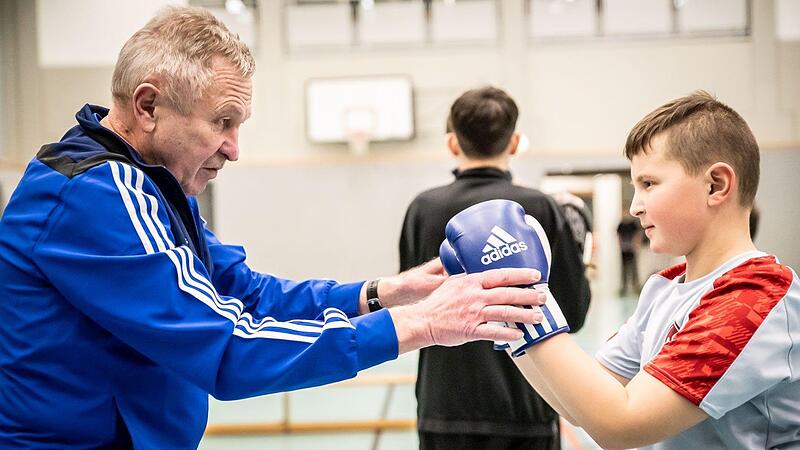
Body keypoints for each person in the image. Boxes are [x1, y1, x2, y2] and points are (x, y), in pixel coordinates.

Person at [0, 8, 546, 449]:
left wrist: (383, 294)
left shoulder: (149, 187)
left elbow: (247, 293)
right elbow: (228, 348)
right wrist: (418, 325)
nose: (234, 149)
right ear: (148, 106)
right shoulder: (93, 196)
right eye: (223, 123)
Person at [497, 91, 800, 449]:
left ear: (716, 185)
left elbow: (621, 425)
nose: (636, 206)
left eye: (649, 184)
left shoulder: (756, 295)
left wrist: (533, 305)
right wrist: (509, 309)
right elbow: (584, 405)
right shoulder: (666, 288)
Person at [399, 86, 591, 450]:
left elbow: (412, 300)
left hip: (444, 404)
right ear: (515, 142)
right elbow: (574, 313)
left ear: (453, 143)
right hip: (528, 403)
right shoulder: (542, 207)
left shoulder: (422, 208)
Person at [617, 212, 642, 295]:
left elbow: (637, 235)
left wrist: (636, 244)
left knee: (634, 269)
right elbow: (619, 236)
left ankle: (636, 287)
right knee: (624, 270)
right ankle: (624, 288)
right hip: (624, 250)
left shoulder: (633, 224)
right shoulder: (621, 225)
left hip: (631, 250)